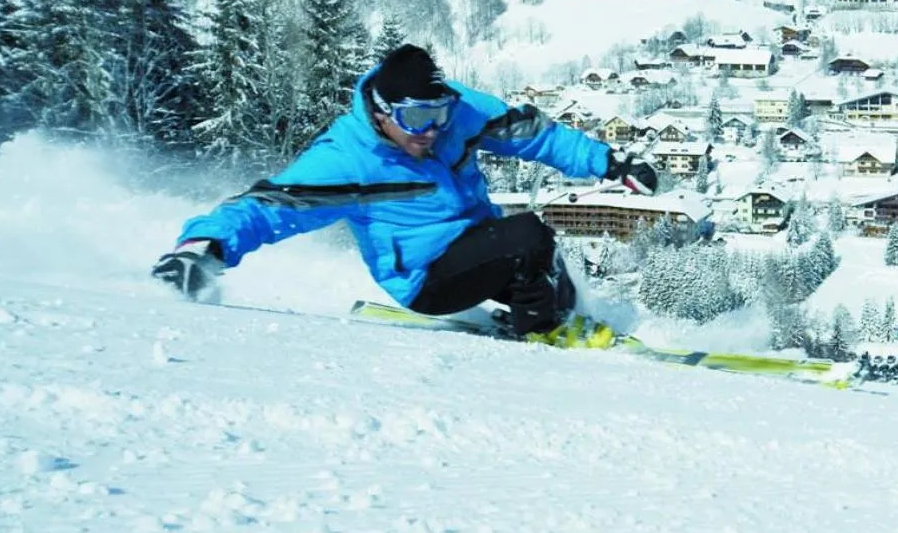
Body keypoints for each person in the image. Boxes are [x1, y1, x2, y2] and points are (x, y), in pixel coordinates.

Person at [152, 44, 659, 336]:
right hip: (426, 279)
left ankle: (569, 319)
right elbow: (267, 207)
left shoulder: (457, 112)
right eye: (415, 119)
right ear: (380, 112)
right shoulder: (348, 159)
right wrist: (203, 248)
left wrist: (610, 163)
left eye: (438, 115)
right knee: (528, 236)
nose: (430, 131)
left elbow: (534, 135)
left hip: (475, 245)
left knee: (543, 258)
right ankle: (546, 332)